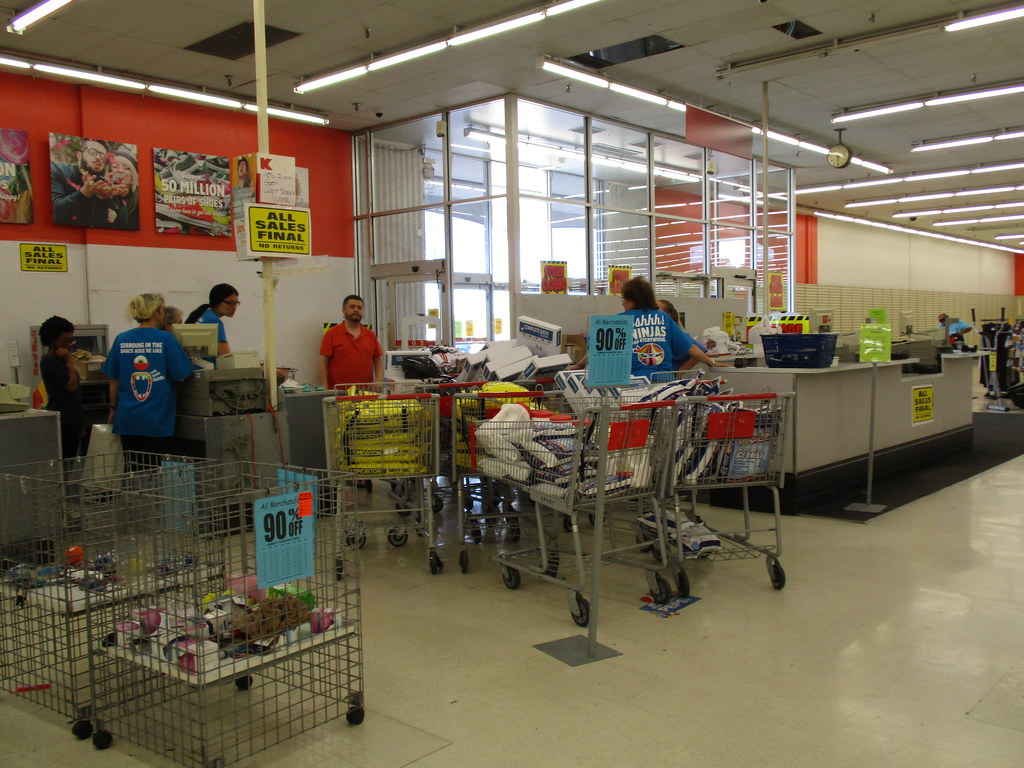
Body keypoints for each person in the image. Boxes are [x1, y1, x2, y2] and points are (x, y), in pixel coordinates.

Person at [101, 293, 193, 458]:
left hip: (127, 419)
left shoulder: (121, 339)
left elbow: (114, 380)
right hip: (157, 420)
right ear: (156, 312)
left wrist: (113, 409)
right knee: (153, 472)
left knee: (134, 472)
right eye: (162, 310)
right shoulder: (166, 339)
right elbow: (180, 375)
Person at [620, 277, 726, 377]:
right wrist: (712, 363)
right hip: (663, 379)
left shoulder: (620, 321)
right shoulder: (663, 317)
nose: (623, 303)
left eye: (624, 298)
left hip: (633, 381)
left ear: (632, 299)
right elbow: (691, 348)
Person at [38, 315, 83, 460]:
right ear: (52, 341)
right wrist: (70, 362)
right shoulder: (49, 362)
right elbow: (71, 386)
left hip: (72, 419)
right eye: (65, 340)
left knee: (70, 460)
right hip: (62, 421)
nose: (70, 344)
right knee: (63, 463)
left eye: (71, 340)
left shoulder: (61, 361)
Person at [319, 294, 384, 388]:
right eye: (352, 307)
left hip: (365, 392)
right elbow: (322, 362)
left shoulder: (370, 335)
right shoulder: (331, 334)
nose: (356, 310)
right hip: (337, 393)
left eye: (359, 307)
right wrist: (324, 387)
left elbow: (378, 360)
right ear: (344, 310)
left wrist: (378, 380)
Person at [50, 138, 115, 227]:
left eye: (103, 156)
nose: (99, 158)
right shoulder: (58, 170)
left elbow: (97, 225)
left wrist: (103, 200)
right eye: (93, 152)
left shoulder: (104, 183)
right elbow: (55, 212)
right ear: (79, 155)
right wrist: (85, 192)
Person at [185, 283, 239, 356]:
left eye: (236, 303)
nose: (234, 307)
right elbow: (226, 357)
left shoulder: (202, 314)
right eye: (230, 303)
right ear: (217, 301)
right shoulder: (214, 321)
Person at [104, 149, 140, 230]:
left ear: (133, 175)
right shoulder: (103, 194)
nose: (120, 171)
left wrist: (117, 221)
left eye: (126, 168)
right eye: (115, 167)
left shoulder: (140, 199)